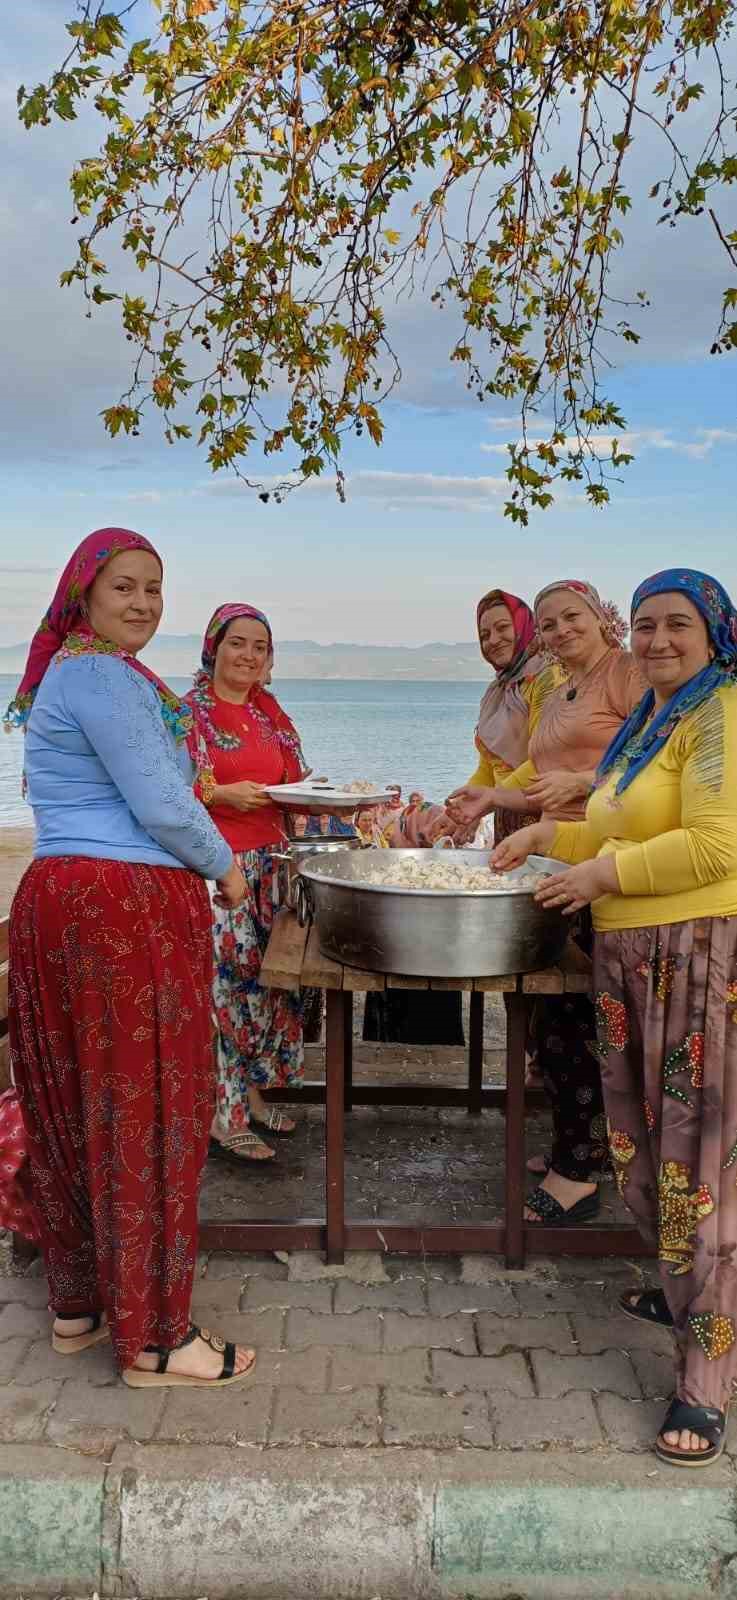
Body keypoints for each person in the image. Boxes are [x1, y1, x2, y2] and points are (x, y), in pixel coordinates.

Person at [494, 568, 737, 1468]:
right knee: (636, 1150)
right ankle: (688, 1293)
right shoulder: (650, 719)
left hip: (696, 954)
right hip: (625, 954)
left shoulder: (721, 712)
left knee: (697, 1169)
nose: (657, 641)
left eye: (676, 624)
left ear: (713, 631)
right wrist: (545, 839)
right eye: (644, 625)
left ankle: (705, 1381)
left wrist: (597, 875)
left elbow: (716, 841)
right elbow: (611, 824)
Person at [4, 529, 253, 1388]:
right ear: (84, 595)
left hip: (60, 896)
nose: (143, 603)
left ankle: (79, 1307)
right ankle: (154, 1338)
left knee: (73, 1099)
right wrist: (227, 870)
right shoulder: (105, 675)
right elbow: (161, 802)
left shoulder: (69, 672)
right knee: (149, 1106)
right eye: (124, 587)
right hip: (123, 906)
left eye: (154, 587)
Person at [448, 580, 644, 1223]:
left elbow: (649, 760)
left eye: (572, 618)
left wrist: (587, 782)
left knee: (574, 1016)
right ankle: (583, 1145)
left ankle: (579, 1169)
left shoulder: (625, 674)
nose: (560, 632)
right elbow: (535, 776)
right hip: (556, 859)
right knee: (558, 1011)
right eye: (552, 623)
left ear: (601, 616)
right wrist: (489, 799)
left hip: (607, 860)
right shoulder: (560, 690)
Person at [186, 604, 307, 1163]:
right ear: (215, 647)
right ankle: (222, 1113)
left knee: (266, 987)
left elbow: (297, 780)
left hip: (272, 868)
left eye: (260, 646)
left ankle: (250, 1093)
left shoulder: (270, 714)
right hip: (219, 869)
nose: (249, 655)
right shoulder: (190, 715)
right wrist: (219, 795)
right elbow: (165, 795)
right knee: (225, 990)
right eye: (239, 643)